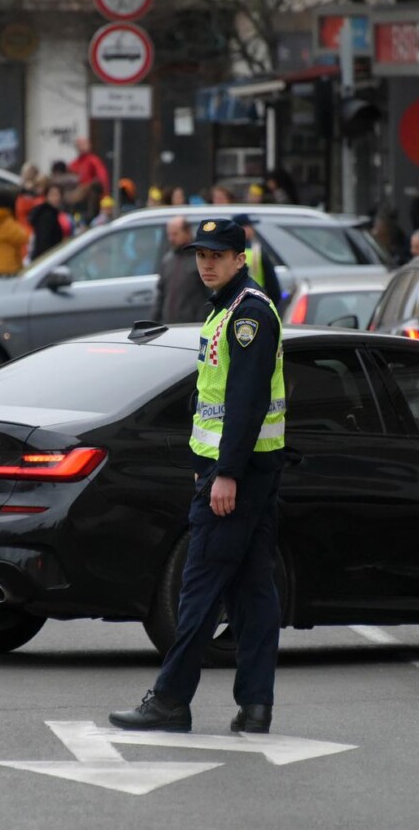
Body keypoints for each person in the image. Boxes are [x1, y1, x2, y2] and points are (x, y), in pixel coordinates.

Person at [110, 217, 286, 735]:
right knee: (254, 594)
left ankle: (169, 700)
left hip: (237, 474)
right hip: (243, 471)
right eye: (200, 256)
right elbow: (213, 393)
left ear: (240, 259)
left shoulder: (247, 313)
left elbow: (248, 401)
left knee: (199, 590)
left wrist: (225, 473)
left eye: (216, 255)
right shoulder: (227, 311)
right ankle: (255, 706)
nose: (206, 264)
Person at [153, 215, 212, 324]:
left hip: (193, 326)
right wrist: (153, 321)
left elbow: (211, 295)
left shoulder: (200, 258)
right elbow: (161, 296)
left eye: (175, 234)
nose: (171, 239)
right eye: (169, 235)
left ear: (187, 233)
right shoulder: (168, 260)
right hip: (170, 326)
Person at [231, 213, 282, 305]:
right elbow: (274, 288)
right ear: (243, 229)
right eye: (250, 226)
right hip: (257, 301)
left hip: (232, 303)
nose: (253, 229)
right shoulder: (257, 252)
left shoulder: (227, 252)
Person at [28, 183, 67, 261]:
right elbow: (44, 242)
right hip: (46, 259)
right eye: (52, 195)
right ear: (46, 197)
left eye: (57, 195)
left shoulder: (54, 213)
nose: (55, 198)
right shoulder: (47, 216)